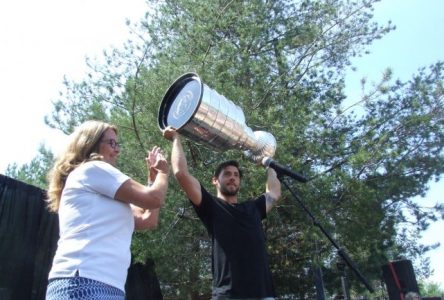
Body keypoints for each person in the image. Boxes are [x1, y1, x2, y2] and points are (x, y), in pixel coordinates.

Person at [45, 120, 169, 300]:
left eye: (117, 144)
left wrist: (154, 180)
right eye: (111, 143)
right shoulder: (92, 169)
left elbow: (147, 219)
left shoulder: (100, 184)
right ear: (90, 144)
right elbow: (154, 198)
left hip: (108, 285)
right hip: (84, 281)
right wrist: (164, 173)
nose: (117, 150)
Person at [163, 126, 282, 300]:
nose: (233, 177)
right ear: (215, 181)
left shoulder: (253, 209)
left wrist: (269, 162)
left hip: (265, 295)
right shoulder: (210, 206)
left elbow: (274, 193)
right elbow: (181, 173)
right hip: (228, 296)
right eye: (227, 174)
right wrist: (176, 138)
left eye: (236, 175)